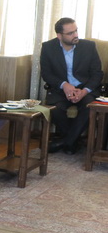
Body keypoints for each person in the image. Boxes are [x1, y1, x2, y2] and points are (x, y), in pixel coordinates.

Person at [41, 17, 104, 154]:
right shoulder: (48, 47)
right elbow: (46, 74)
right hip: (60, 90)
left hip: (85, 88)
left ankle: (66, 142)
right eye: (70, 33)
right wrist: (64, 85)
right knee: (54, 109)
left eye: (76, 31)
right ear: (59, 36)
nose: (75, 35)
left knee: (89, 108)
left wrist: (84, 91)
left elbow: (97, 74)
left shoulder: (89, 46)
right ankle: (72, 141)